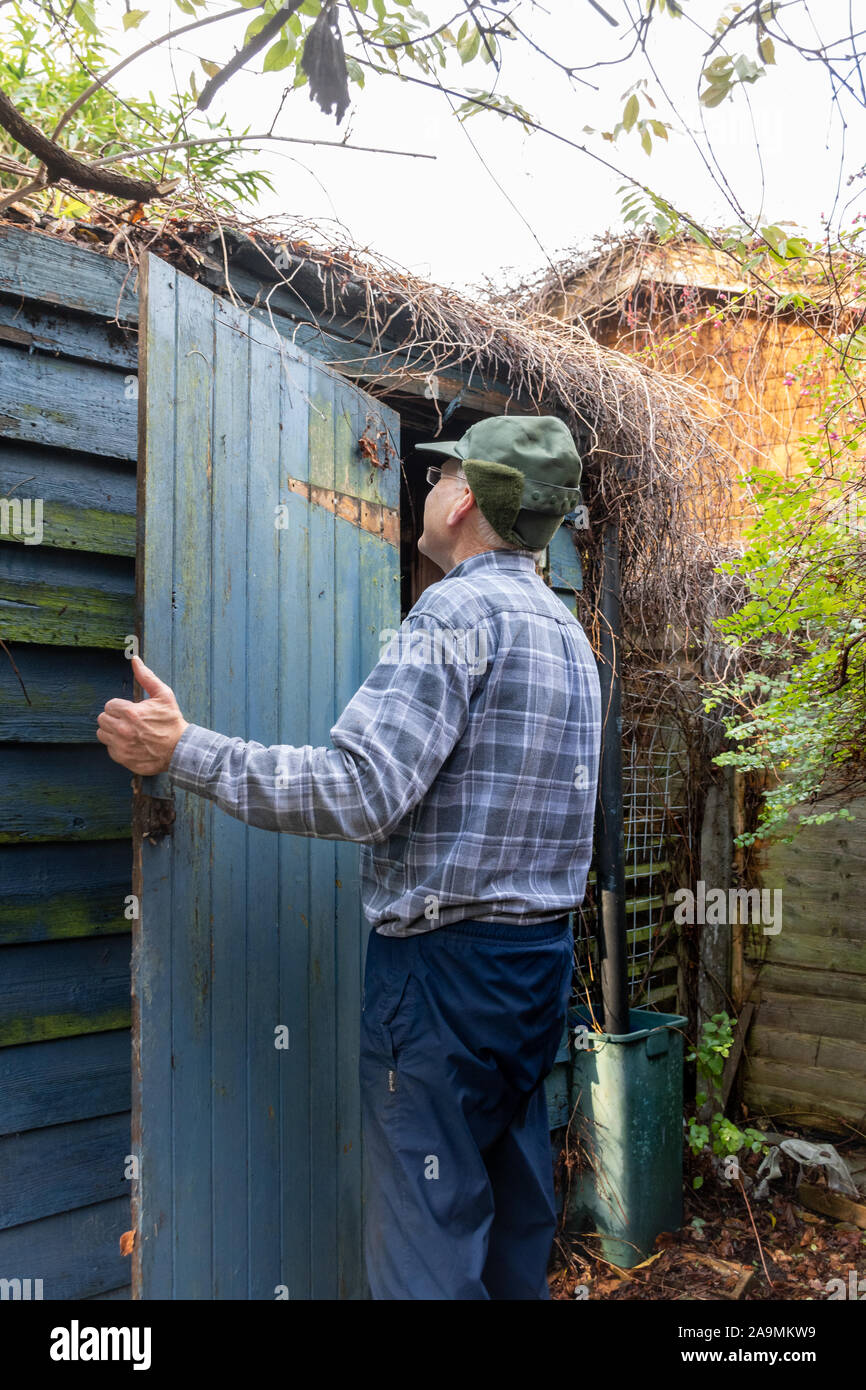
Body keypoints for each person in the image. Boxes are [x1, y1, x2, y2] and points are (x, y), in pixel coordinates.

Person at [97, 413, 601, 1301]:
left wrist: (185, 751)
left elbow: (361, 792)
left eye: (444, 472)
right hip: (537, 971)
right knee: (515, 1221)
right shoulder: (570, 637)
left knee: (425, 1244)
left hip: (442, 983)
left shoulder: (454, 612)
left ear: (465, 504)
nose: (430, 483)